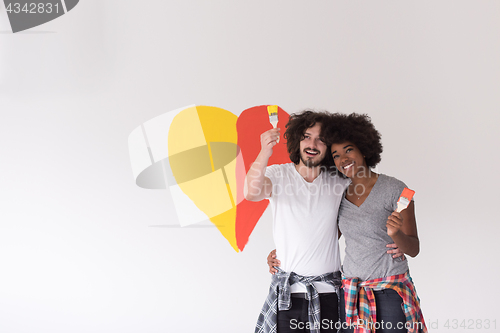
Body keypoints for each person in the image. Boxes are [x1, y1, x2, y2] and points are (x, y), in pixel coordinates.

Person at [268, 113, 427, 333]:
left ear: (364, 148)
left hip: (390, 290)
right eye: (335, 154)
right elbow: (324, 234)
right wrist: (284, 251)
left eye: (349, 150)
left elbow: (414, 248)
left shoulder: (396, 189)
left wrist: (396, 235)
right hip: (352, 292)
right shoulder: (338, 191)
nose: (343, 158)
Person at [245, 110, 350, 333]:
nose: (312, 144)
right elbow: (251, 192)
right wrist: (265, 151)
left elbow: (350, 221)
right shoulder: (278, 174)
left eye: (321, 139)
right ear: (296, 141)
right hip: (287, 295)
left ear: (329, 145)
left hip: (329, 295)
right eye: (306, 136)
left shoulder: (339, 180)